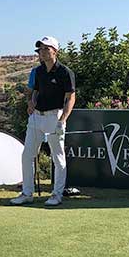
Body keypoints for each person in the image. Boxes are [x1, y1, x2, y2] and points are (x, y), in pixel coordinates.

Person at [10, 36, 76, 206]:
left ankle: (56, 194)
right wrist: (31, 102)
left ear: (55, 51)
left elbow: (70, 98)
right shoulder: (38, 71)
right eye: (40, 49)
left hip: (55, 116)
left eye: (46, 49)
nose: (42, 52)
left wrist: (62, 120)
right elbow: (34, 92)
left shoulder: (65, 72)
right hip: (36, 117)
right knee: (27, 156)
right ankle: (27, 193)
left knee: (58, 157)